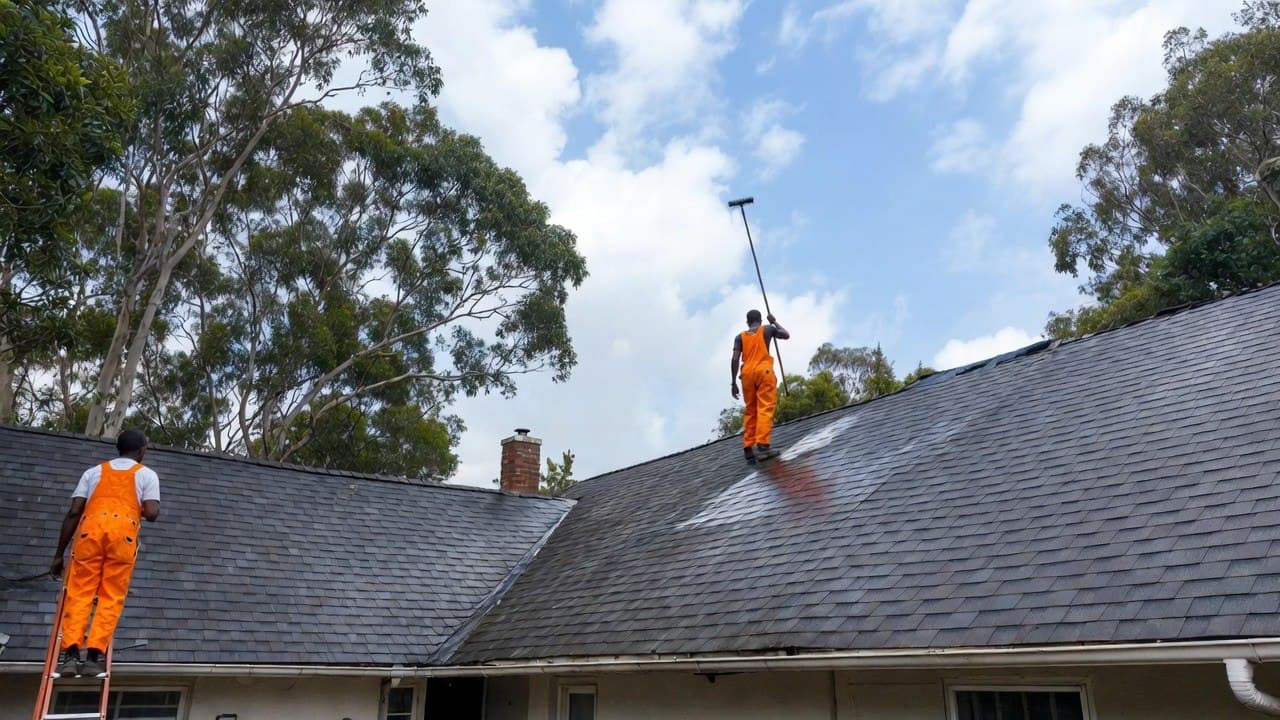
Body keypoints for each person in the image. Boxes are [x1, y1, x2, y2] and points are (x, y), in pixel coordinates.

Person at [49, 429, 160, 679]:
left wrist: (58, 554)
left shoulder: (93, 472)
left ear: (118, 448)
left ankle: (70, 656)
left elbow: (74, 511)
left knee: (79, 594)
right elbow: (152, 513)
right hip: (122, 539)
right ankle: (93, 657)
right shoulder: (146, 475)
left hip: (89, 536)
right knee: (110, 596)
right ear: (141, 450)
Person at [731, 309, 790, 464]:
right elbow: (786, 335)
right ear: (761, 320)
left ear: (747, 322)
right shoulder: (767, 329)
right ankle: (763, 445)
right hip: (763, 372)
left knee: (751, 410)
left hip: (747, 375)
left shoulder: (740, 337)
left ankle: (748, 447)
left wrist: (733, 382)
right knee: (765, 407)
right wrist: (774, 321)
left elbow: (735, 359)